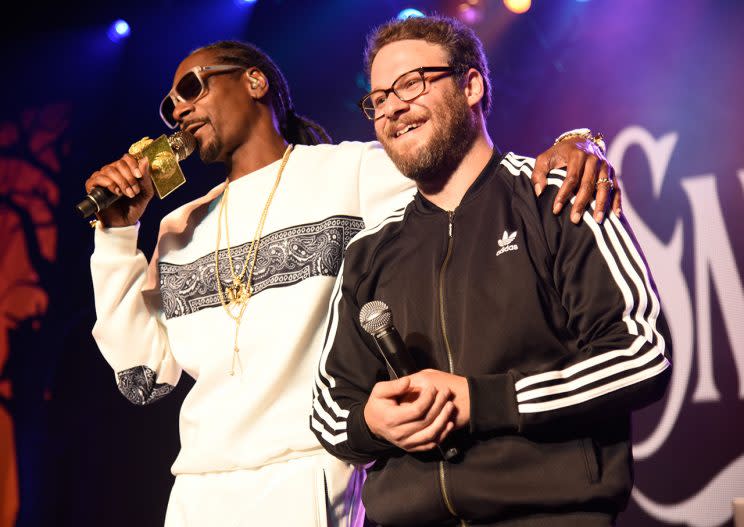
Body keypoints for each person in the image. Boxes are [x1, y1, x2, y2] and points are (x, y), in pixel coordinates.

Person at [85, 36, 618, 526]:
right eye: (170, 103)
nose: (179, 108)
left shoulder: (351, 171)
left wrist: (576, 142)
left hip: (309, 474)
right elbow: (143, 379)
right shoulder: (179, 228)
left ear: (253, 81)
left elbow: (472, 173)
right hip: (199, 489)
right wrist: (115, 233)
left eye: (191, 87)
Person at [311, 15, 671, 527]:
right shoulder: (370, 250)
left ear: (471, 84)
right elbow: (328, 405)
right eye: (378, 99)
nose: (391, 106)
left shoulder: (558, 197)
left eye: (410, 83)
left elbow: (641, 354)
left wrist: (481, 401)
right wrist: (371, 420)